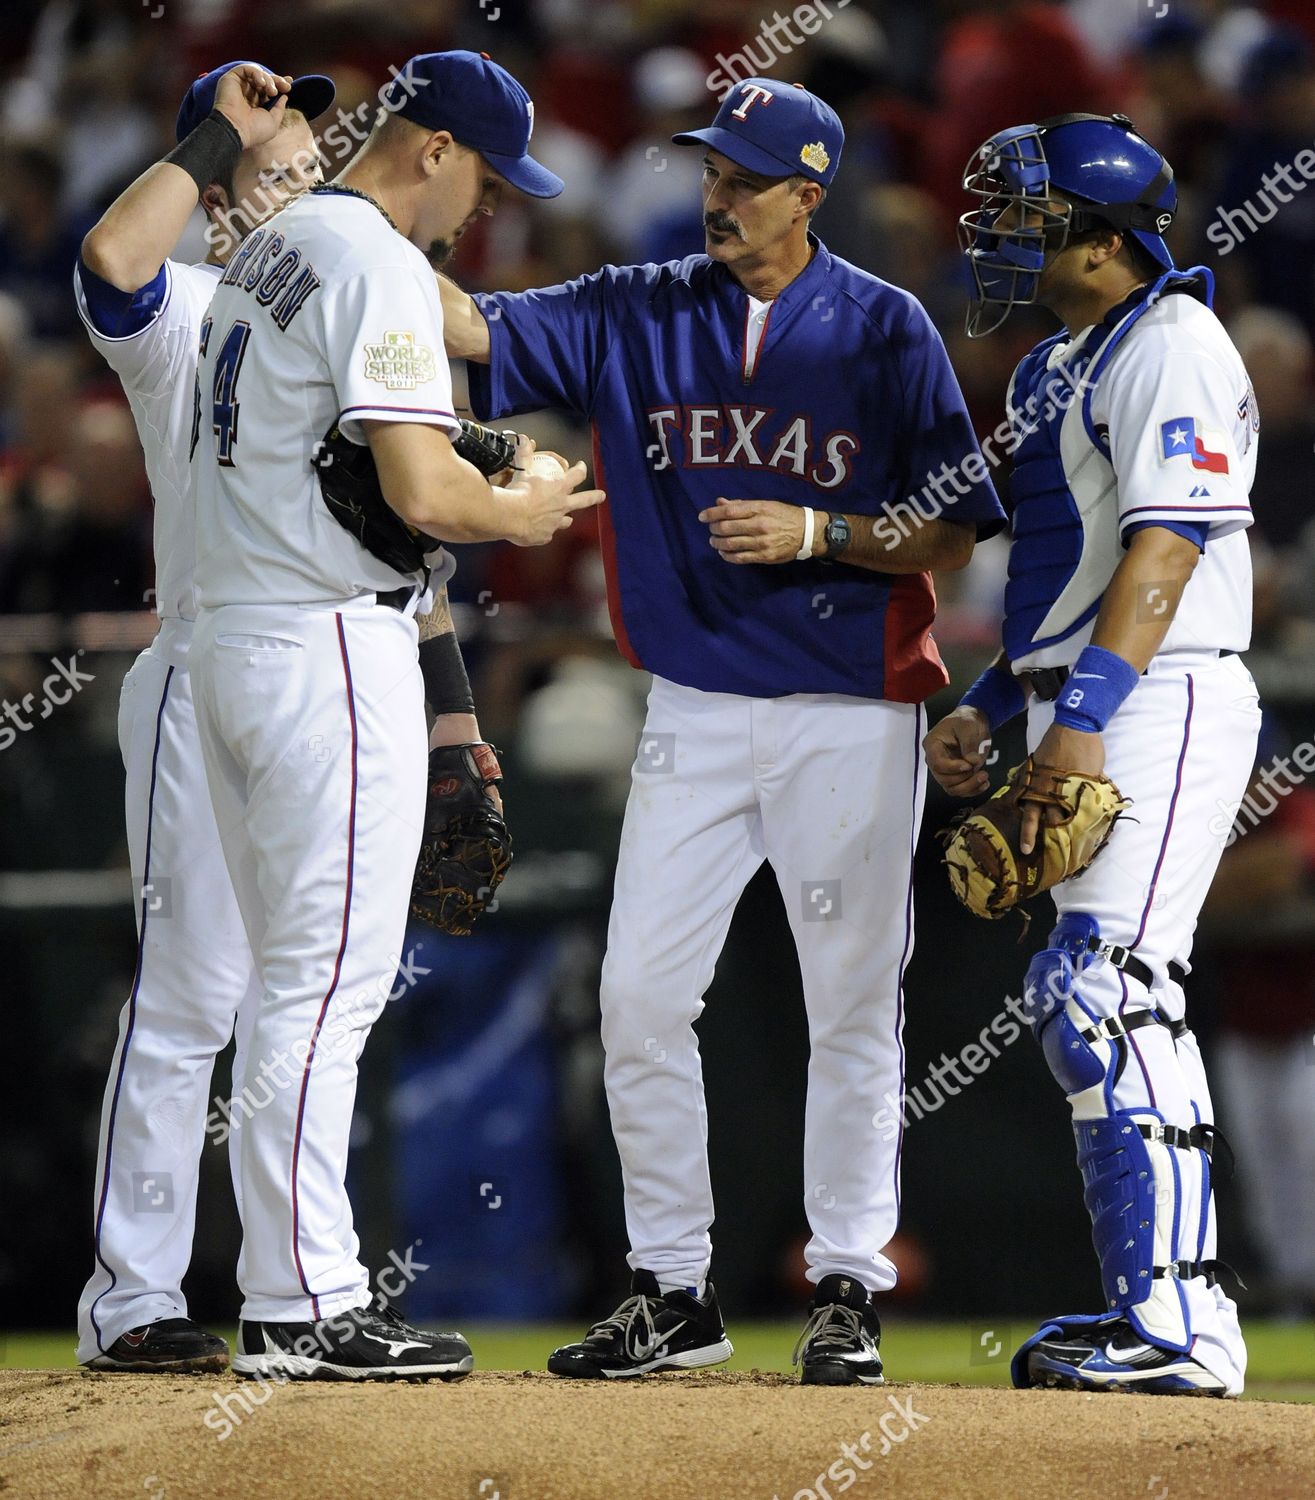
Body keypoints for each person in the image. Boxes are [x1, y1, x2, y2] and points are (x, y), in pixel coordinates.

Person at [440, 76, 1004, 1383]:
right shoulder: (634, 305)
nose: (717, 197)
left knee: (849, 1004)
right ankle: (671, 1289)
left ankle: (849, 1288)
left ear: (809, 193)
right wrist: (334, 247)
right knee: (635, 995)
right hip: (692, 707)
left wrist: (818, 533)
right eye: (710, 171)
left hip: (845, 707)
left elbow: (953, 525)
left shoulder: (881, 326)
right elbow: (467, 325)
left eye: (745, 178)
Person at [188, 50, 603, 1382]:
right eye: (482, 170)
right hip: (321, 644)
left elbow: (341, 462)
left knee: (280, 982)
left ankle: (285, 1291)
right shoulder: (367, 255)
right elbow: (421, 496)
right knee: (327, 982)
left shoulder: (272, 246)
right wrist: (524, 505)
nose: (486, 202)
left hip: (231, 637)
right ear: (429, 147)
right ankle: (305, 1305)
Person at [925, 112, 1261, 1395]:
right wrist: (987, 702)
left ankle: (1181, 1328)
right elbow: (1065, 577)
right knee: (1097, 995)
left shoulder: (1172, 343)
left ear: (1102, 240)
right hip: (1092, 691)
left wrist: (1071, 728)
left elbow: (1166, 554)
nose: (996, 236)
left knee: (1105, 987)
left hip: (1161, 692)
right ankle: (1162, 1316)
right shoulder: (1057, 362)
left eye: (1019, 216)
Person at [73, 60, 335, 1374]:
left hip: (331, 678)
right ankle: (134, 1300)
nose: (302, 188)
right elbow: (111, 254)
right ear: (221, 204)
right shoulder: (184, 302)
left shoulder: (353, 308)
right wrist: (213, 136)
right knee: (189, 1000)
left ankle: (303, 1293)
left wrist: (453, 724)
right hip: (198, 666)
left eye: (308, 168)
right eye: (273, 170)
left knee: (314, 990)